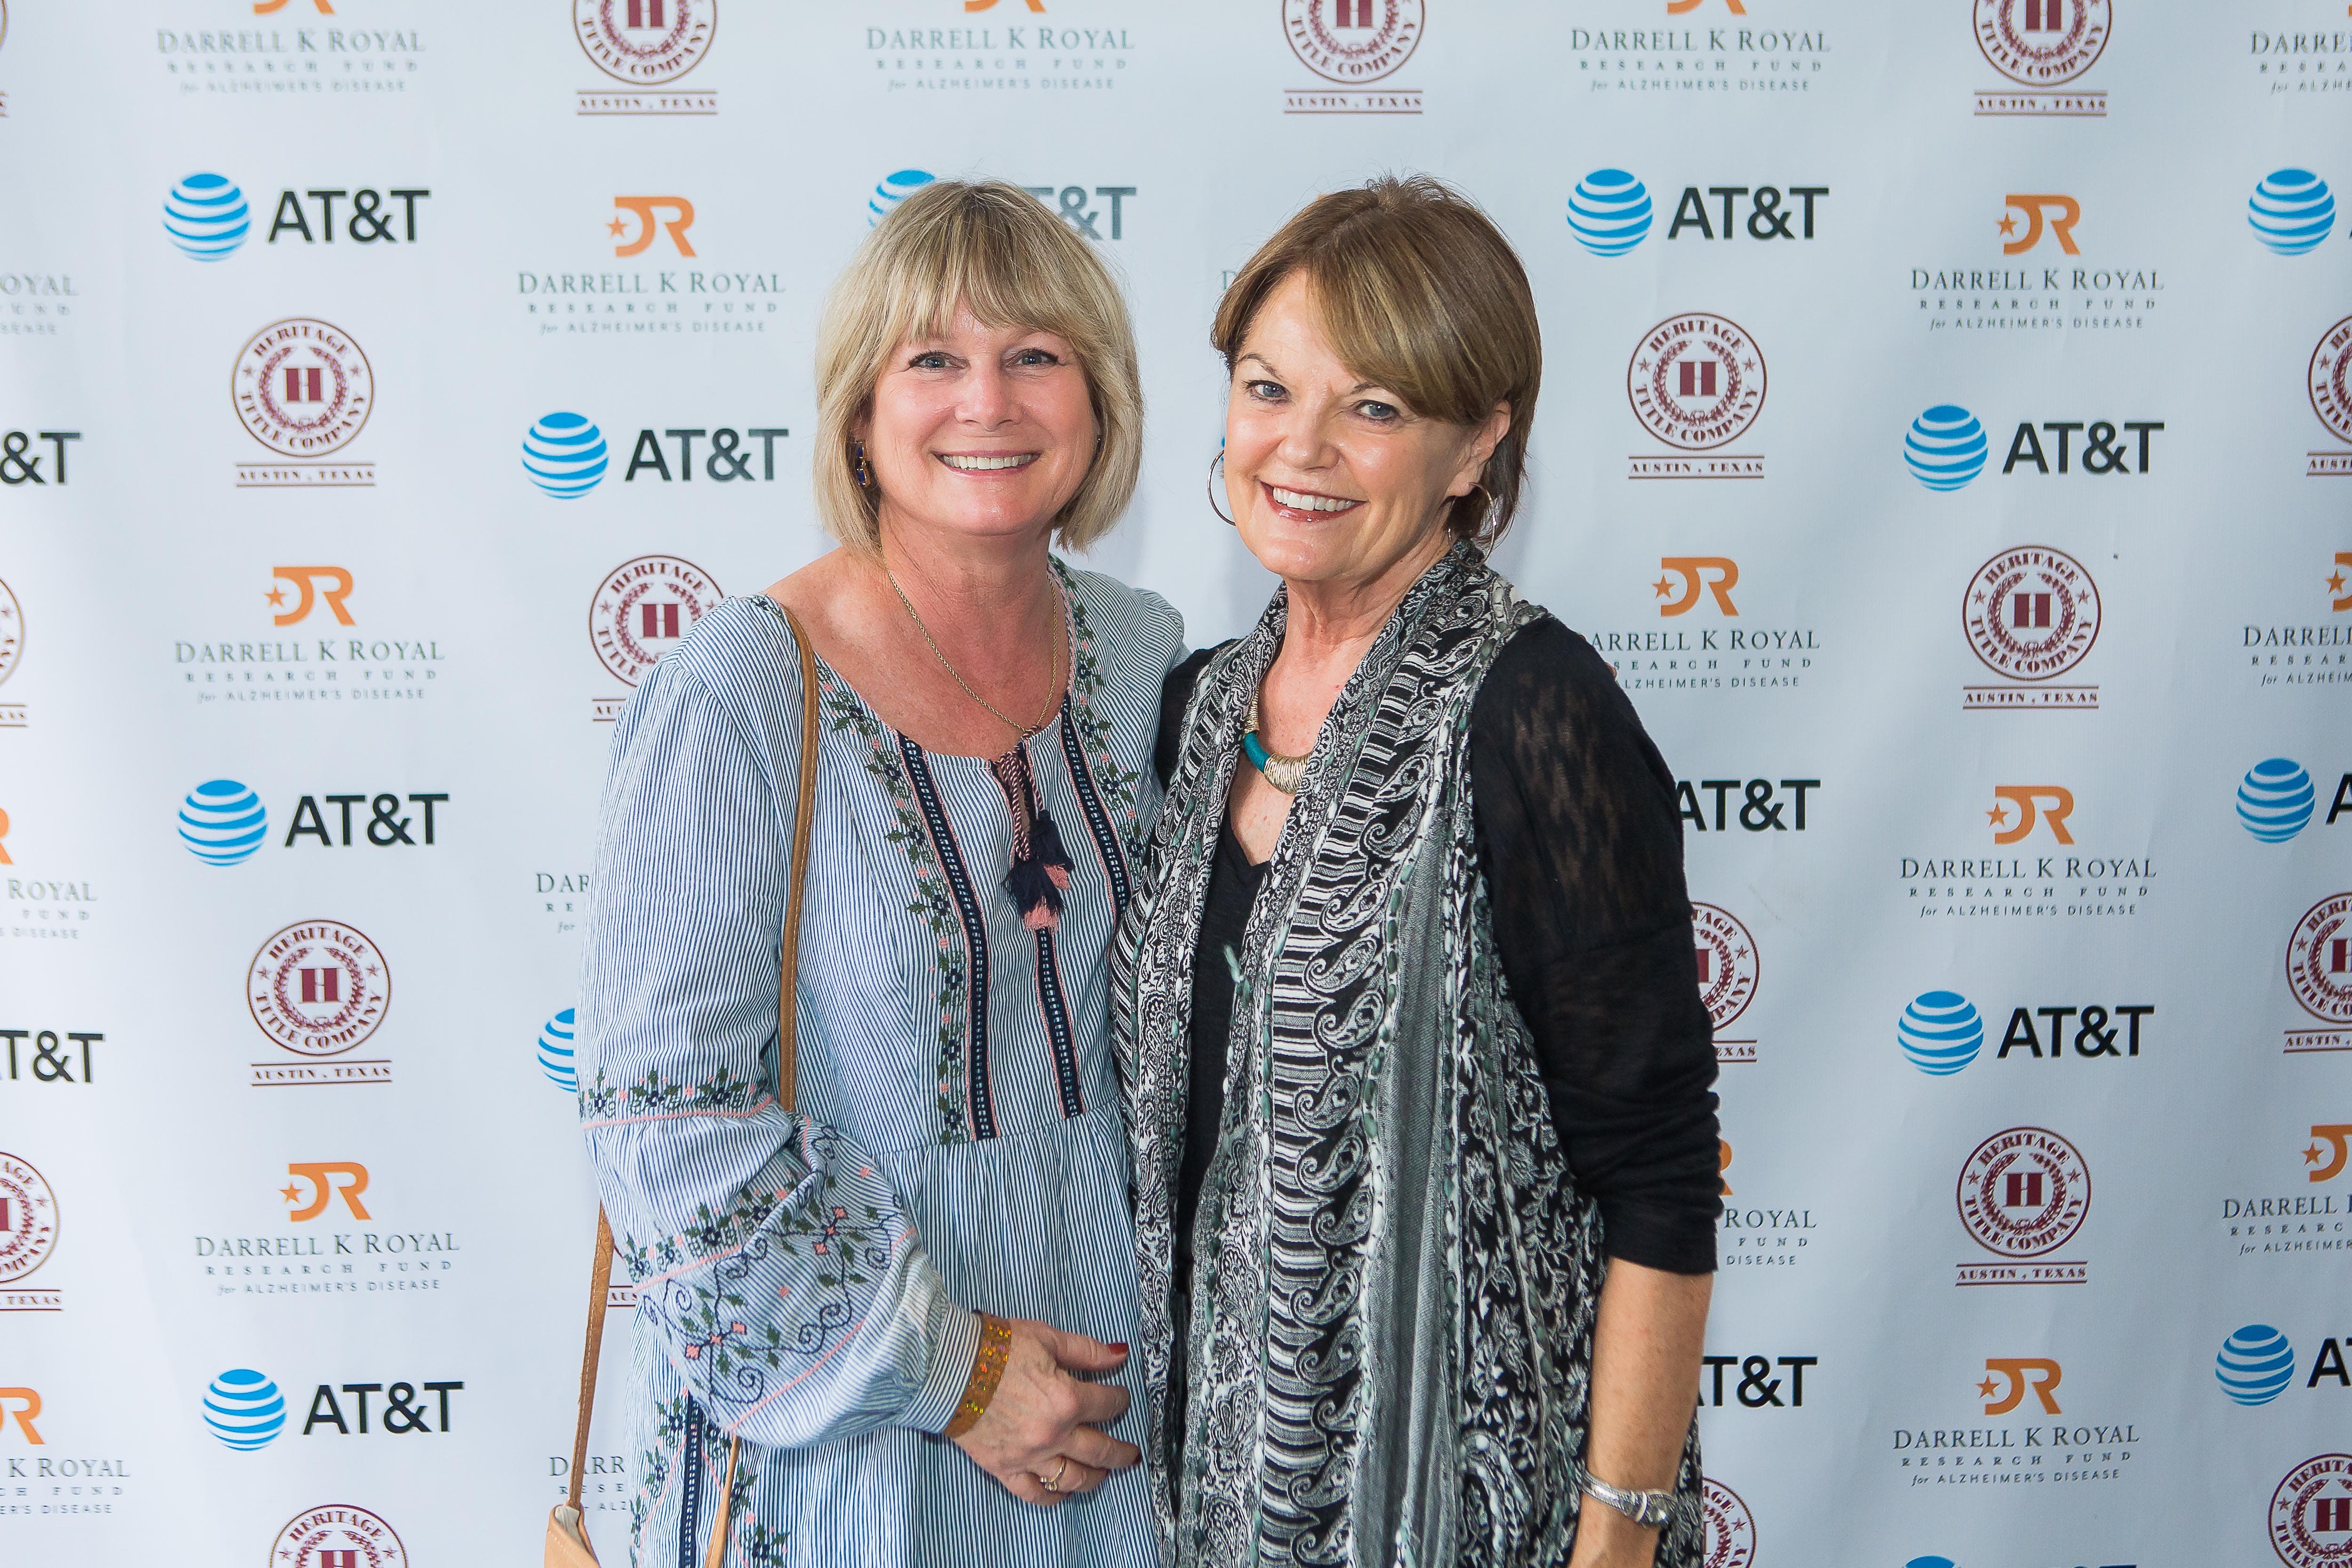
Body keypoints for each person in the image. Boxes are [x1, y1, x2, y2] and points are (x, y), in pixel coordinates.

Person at [1112, 176, 1721, 1568]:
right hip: (1214, 1521)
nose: (1302, 447)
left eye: (1375, 408)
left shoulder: (1537, 712)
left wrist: (1618, 1541)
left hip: (1485, 1521)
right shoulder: (1196, 711)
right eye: (1269, 388)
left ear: (1476, 445)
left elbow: (1659, 1172)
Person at [580, 179, 1180, 1568]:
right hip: (854, 1459)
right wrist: (957, 1376)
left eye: (1036, 355)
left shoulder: (1147, 654)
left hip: (1121, 1441)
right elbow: (664, 1129)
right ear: (861, 414)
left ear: (1099, 404)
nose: (989, 403)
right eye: (934, 360)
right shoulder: (739, 691)